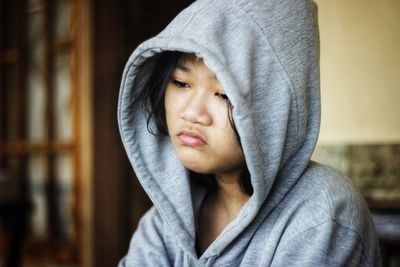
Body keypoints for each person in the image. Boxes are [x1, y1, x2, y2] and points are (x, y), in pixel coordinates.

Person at [117, 0, 381, 266]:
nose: (192, 113)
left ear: (275, 106)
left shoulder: (324, 211)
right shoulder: (164, 221)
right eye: (181, 83)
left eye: (224, 94)